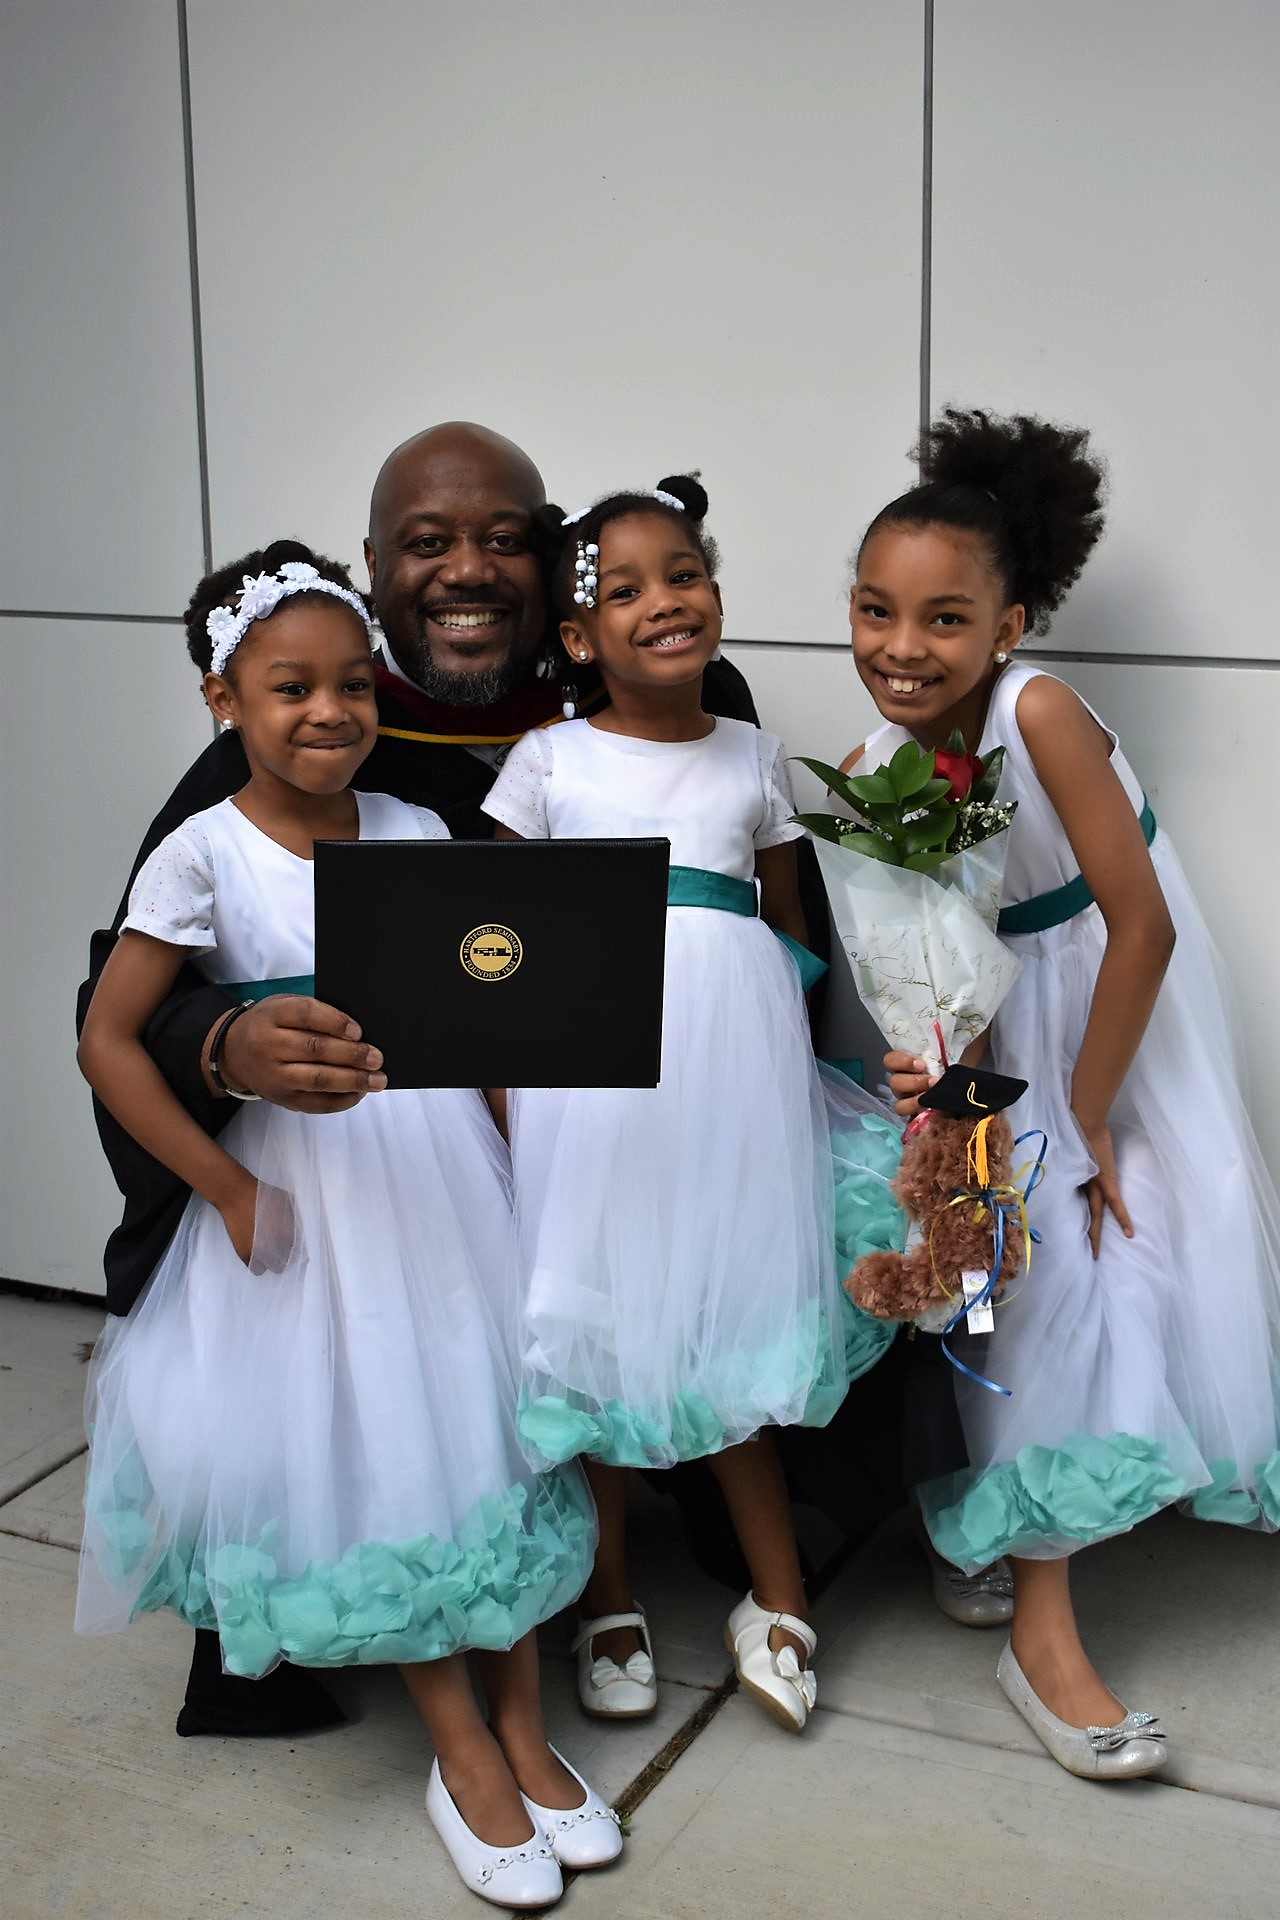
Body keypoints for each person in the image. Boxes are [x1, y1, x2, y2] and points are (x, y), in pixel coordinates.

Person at [78, 422, 765, 1738]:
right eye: (427, 543)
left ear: (556, 557)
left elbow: (758, 904)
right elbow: (123, 1002)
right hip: (375, 1164)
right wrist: (228, 1044)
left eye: (504, 540)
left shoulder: (660, 677)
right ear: (377, 568)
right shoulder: (299, 734)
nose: (467, 570)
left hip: (634, 1121)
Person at [76, 543, 619, 1909]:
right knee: (378, 1449)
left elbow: (481, 1028)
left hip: (436, 1182)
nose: (329, 713)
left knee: (479, 1437)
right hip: (312, 1202)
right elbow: (109, 1041)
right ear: (224, 702)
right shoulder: (203, 853)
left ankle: (520, 1719)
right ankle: (460, 1747)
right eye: (288, 689)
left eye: (349, 687)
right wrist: (227, 1186)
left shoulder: (421, 836)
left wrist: (515, 1163)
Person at [857, 409, 1280, 1778]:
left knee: (1096, 1281)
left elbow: (1139, 926)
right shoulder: (874, 773)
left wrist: (1087, 1117)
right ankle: (996, 1531)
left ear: (1010, 623)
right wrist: (925, 1073)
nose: (899, 647)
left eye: (942, 618)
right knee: (991, 1283)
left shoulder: (1041, 715)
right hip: (988, 1047)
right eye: (872, 610)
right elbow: (921, 959)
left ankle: (1044, 1637)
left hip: (1110, 1029)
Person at [484, 477, 897, 1735]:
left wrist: (775, 1061)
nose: (664, 603)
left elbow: (785, 932)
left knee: (729, 1316)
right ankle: (606, 1594)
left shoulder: (754, 757)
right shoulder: (546, 763)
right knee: (601, 1322)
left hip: (732, 1092)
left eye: (684, 575)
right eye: (624, 590)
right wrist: (505, 1114)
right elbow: (501, 954)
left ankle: (777, 1596)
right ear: (575, 636)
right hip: (591, 1096)